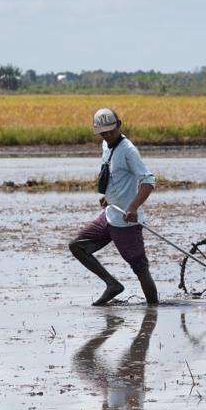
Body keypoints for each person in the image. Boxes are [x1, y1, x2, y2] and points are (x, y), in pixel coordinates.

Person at [69, 108, 158, 306]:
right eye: (103, 132)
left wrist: (133, 207)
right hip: (110, 214)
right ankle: (112, 284)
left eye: (111, 131)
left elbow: (148, 181)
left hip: (126, 222)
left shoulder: (128, 150)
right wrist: (107, 196)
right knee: (77, 246)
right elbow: (114, 176)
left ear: (119, 125)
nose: (108, 135)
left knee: (140, 269)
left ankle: (153, 312)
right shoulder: (106, 146)